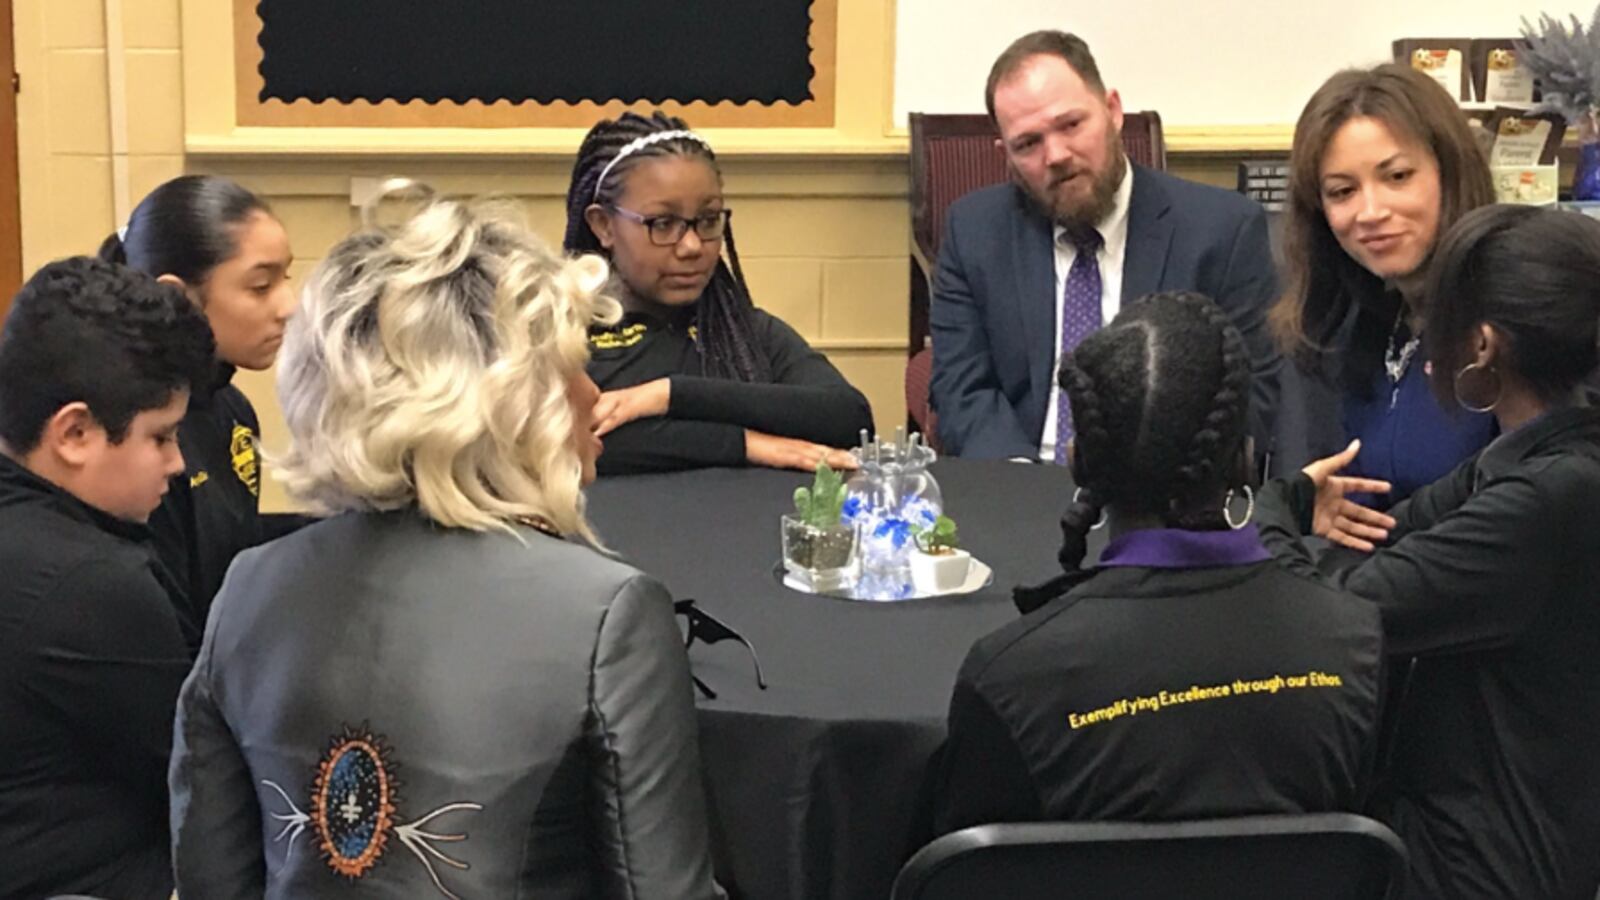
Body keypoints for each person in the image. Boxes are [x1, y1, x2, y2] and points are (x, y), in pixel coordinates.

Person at [169, 184, 722, 899]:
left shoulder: (250, 587)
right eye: (569, 367)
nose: (592, 395)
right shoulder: (606, 614)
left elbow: (212, 882)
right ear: (505, 400)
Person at [929, 291, 1380, 835]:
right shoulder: (1353, 640)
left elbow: (968, 872)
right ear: (1242, 455)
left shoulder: (1009, 674)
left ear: (1080, 461)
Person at [1257, 206, 1600, 899]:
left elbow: (1326, 619)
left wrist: (1276, 507)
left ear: (1481, 345)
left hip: (1490, 864)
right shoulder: (1534, 455)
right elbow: (1392, 535)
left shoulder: (1547, 499)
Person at [929, 30, 1282, 463]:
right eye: (1028, 143)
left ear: (1113, 111)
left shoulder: (1221, 231)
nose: (1055, 154)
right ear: (1006, 153)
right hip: (1019, 485)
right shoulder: (975, 231)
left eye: (1071, 124)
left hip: (1165, 496)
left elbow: (1254, 397)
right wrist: (1017, 485)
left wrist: (1139, 489)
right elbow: (962, 387)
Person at [0, 257, 215, 900]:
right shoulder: (93, 585)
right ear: (75, 432)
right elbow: (202, 777)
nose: (177, 463)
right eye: (161, 437)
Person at [564, 111, 874, 475]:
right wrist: (746, 444)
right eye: (663, 224)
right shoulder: (568, 334)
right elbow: (561, 440)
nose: (692, 245)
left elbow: (849, 417)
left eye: (708, 220)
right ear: (603, 226)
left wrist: (669, 395)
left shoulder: (741, 331)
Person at [1271, 64, 1497, 506]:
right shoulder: (1350, 323)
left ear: (1450, 173)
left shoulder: (1510, 318)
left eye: (1396, 177)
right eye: (1342, 191)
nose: (1370, 211)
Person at [99, 174, 301, 649]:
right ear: (180, 297)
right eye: (259, 286)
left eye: (285, 278)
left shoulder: (232, 409)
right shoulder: (136, 433)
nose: (288, 306)